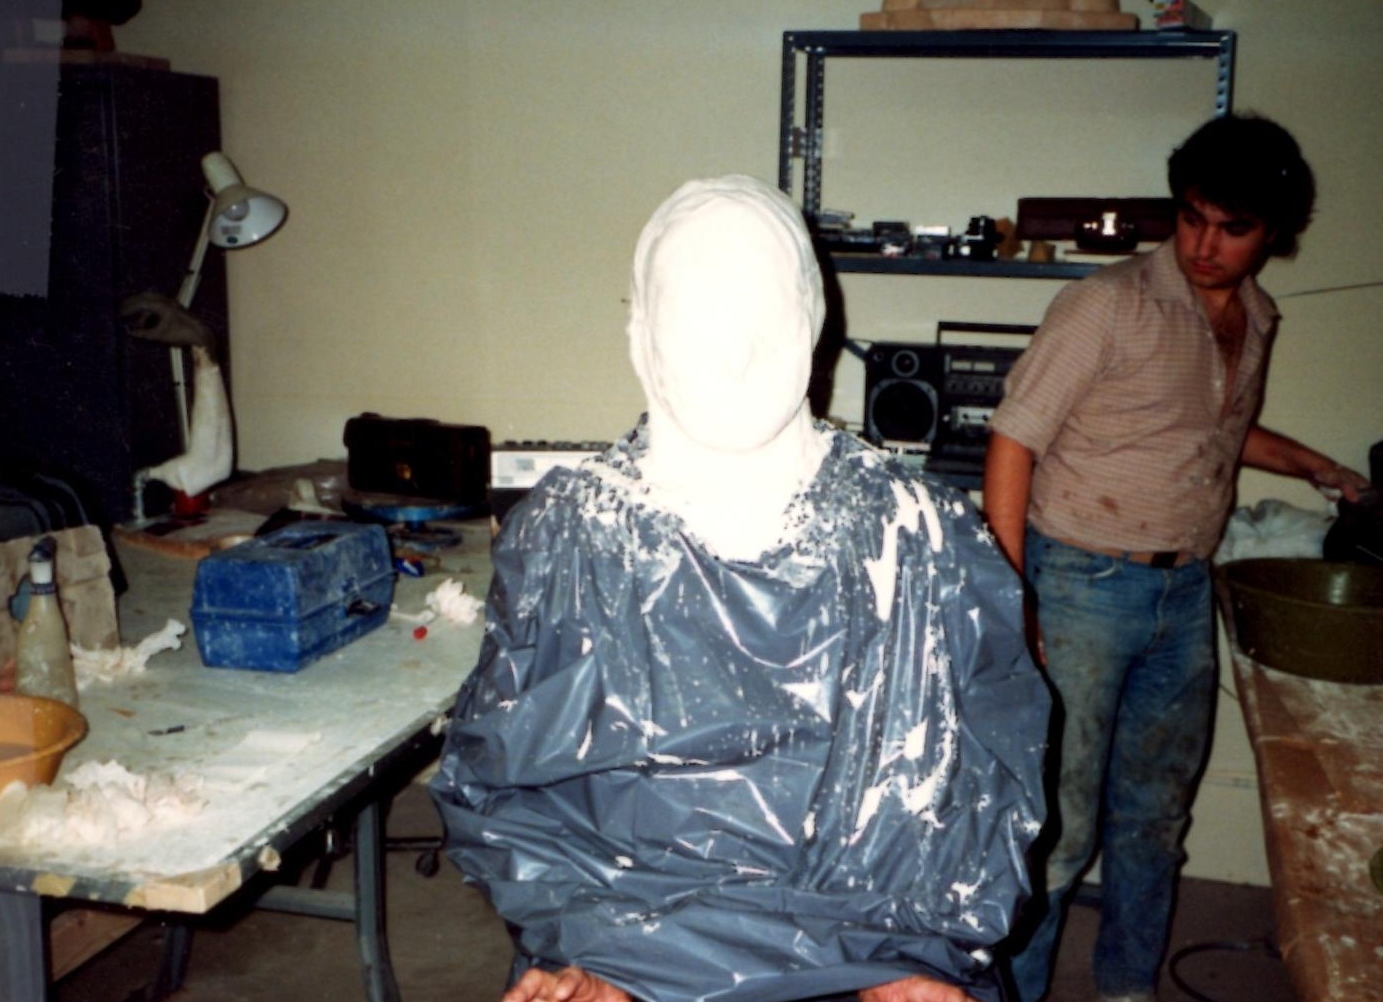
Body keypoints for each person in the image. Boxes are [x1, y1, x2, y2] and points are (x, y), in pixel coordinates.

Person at [430, 175, 1051, 1002]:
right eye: (699, 320)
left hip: (876, 939)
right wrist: (576, 946)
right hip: (620, 944)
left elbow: (983, 770)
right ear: (640, 336)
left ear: (816, 327)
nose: (734, 354)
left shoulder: (921, 533)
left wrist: (924, 954)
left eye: (762, 319)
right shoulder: (569, 534)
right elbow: (506, 783)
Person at [983, 113, 1372, 1002]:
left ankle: (1125, 987)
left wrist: (1315, 464)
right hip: (1078, 584)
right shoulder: (1105, 305)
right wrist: (1015, 600)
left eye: (1231, 229)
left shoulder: (1258, 318)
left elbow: (1212, 428)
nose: (1203, 244)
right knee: (1059, 829)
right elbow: (1011, 441)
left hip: (1183, 594)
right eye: (1191, 217)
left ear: (1274, 233)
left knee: (1154, 818)